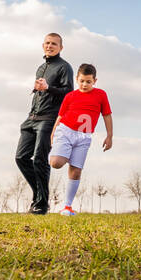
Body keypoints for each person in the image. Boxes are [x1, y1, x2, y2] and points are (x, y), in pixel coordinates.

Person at [15, 33, 72, 214]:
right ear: (43, 45)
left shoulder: (64, 67)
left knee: (40, 160)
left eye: (54, 44)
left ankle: (41, 204)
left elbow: (68, 93)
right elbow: (42, 91)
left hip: (49, 119)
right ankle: (39, 195)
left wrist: (49, 88)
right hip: (32, 118)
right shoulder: (40, 68)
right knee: (21, 158)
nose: (50, 46)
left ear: (60, 47)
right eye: (47, 43)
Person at [49, 63, 113, 216]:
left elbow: (107, 115)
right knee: (56, 163)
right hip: (65, 131)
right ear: (77, 79)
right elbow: (60, 116)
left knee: (76, 171)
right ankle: (52, 153)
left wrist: (109, 135)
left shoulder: (101, 95)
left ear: (95, 81)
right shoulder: (70, 96)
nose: (84, 84)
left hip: (84, 136)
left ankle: (67, 207)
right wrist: (53, 133)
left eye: (88, 82)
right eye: (82, 81)